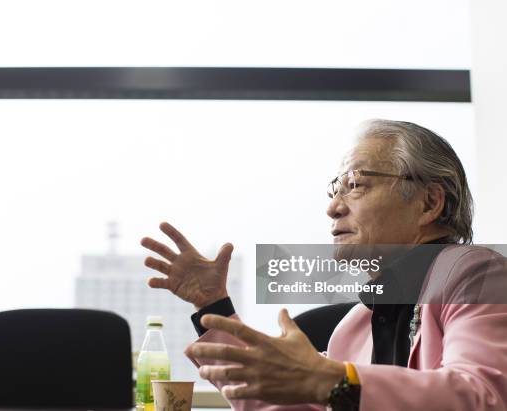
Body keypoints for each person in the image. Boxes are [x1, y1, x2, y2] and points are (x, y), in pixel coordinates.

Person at [140, 119, 507, 411]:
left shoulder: (476, 274)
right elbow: (282, 403)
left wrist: (334, 380)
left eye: (355, 184)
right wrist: (212, 304)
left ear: (429, 203)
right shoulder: (353, 326)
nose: (333, 207)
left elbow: (483, 396)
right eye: (334, 191)